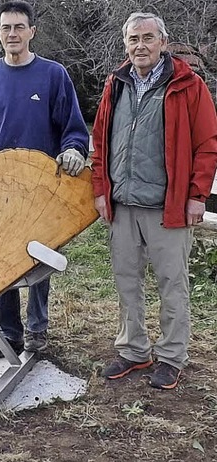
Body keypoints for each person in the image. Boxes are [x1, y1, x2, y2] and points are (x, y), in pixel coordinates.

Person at [92, 12, 217, 390]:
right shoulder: (116, 84)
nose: (140, 46)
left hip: (169, 207)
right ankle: (133, 350)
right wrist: (100, 190)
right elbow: (99, 141)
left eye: (148, 38)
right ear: (125, 44)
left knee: (171, 283)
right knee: (127, 282)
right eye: (133, 39)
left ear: (162, 42)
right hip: (123, 205)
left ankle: (171, 356)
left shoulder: (187, 85)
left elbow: (207, 145)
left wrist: (197, 196)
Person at [0, 1, 89, 357]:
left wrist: (73, 150)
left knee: (39, 259)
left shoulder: (53, 75)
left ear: (32, 31)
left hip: (41, 187)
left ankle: (37, 329)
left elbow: (73, 128)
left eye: (19, 27)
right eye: (6, 28)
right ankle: (9, 332)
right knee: (0, 259)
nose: (12, 34)